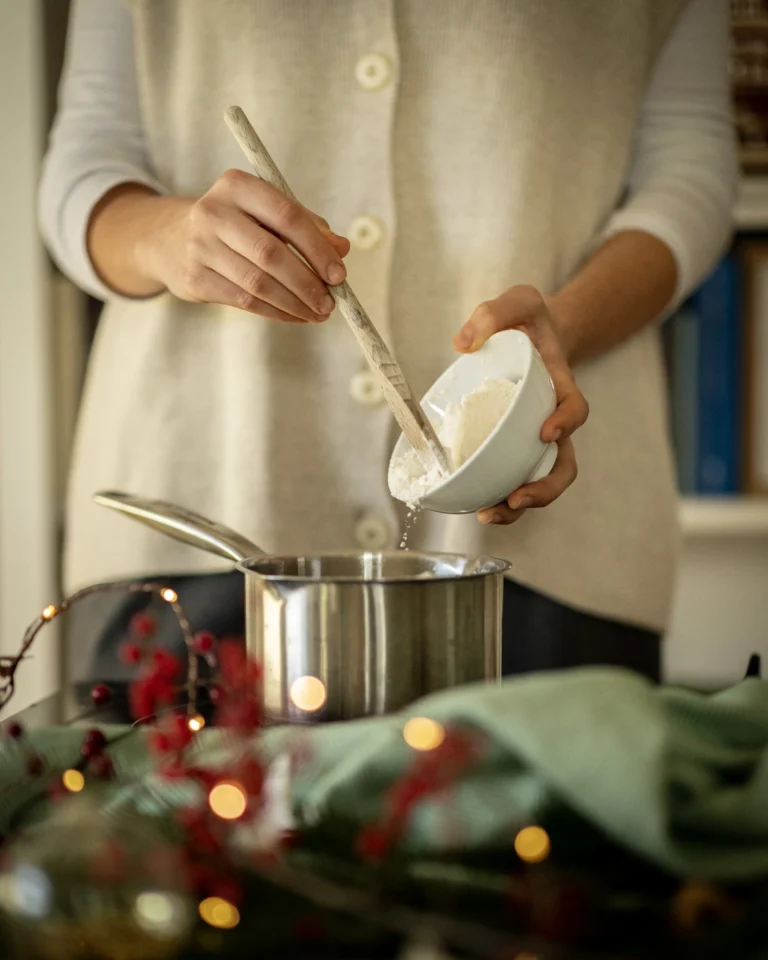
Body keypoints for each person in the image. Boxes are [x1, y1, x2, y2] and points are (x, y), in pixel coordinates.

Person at [41, 0, 735, 691]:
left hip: (554, 561)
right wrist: (169, 239)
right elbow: (83, 168)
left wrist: (564, 326)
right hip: (204, 506)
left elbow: (694, 177)